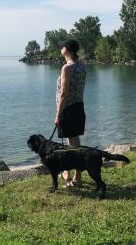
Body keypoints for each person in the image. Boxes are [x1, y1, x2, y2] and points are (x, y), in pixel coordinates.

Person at [54, 39, 86, 187]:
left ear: (66, 49)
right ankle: (69, 173)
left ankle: (77, 178)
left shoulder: (67, 68)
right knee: (74, 142)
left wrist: (58, 114)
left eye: (62, 47)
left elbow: (63, 94)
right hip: (79, 106)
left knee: (73, 144)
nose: (60, 49)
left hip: (68, 108)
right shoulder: (81, 65)